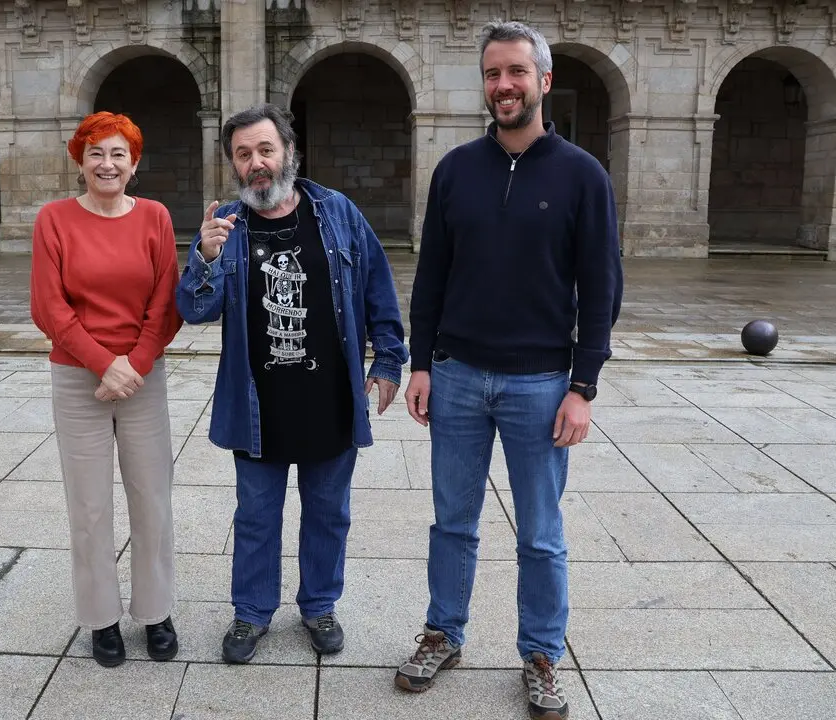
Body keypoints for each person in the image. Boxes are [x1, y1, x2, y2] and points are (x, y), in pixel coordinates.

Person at [393, 20, 623, 720]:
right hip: (457, 376)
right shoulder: (456, 169)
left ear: (544, 81)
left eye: (517, 72)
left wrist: (583, 387)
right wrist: (422, 363)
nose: (504, 86)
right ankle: (443, 633)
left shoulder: (582, 175)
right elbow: (431, 273)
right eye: (493, 74)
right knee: (452, 522)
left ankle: (543, 654)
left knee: (540, 532)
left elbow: (602, 287)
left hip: (540, 383)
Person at [175, 103, 408, 664]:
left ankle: (319, 605)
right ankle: (252, 613)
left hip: (329, 399)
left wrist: (388, 361)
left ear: (287, 151)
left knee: (329, 511)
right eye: (243, 154)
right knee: (255, 515)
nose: (256, 163)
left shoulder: (338, 212)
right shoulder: (225, 226)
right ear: (233, 164)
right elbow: (192, 308)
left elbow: (379, 288)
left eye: (265, 150)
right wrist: (205, 256)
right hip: (258, 405)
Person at [29, 111, 184, 668]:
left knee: (152, 499)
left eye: (118, 154)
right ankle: (100, 618)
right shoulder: (54, 220)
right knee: (90, 506)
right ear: (80, 161)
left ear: (134, 163)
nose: (107, 163)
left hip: (142, 376)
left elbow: (165, 303)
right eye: (96, 153)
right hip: (78, 379)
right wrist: (102, 364)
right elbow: (48, 307)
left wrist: (133, 365)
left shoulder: (156, 219)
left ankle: (156, 610)